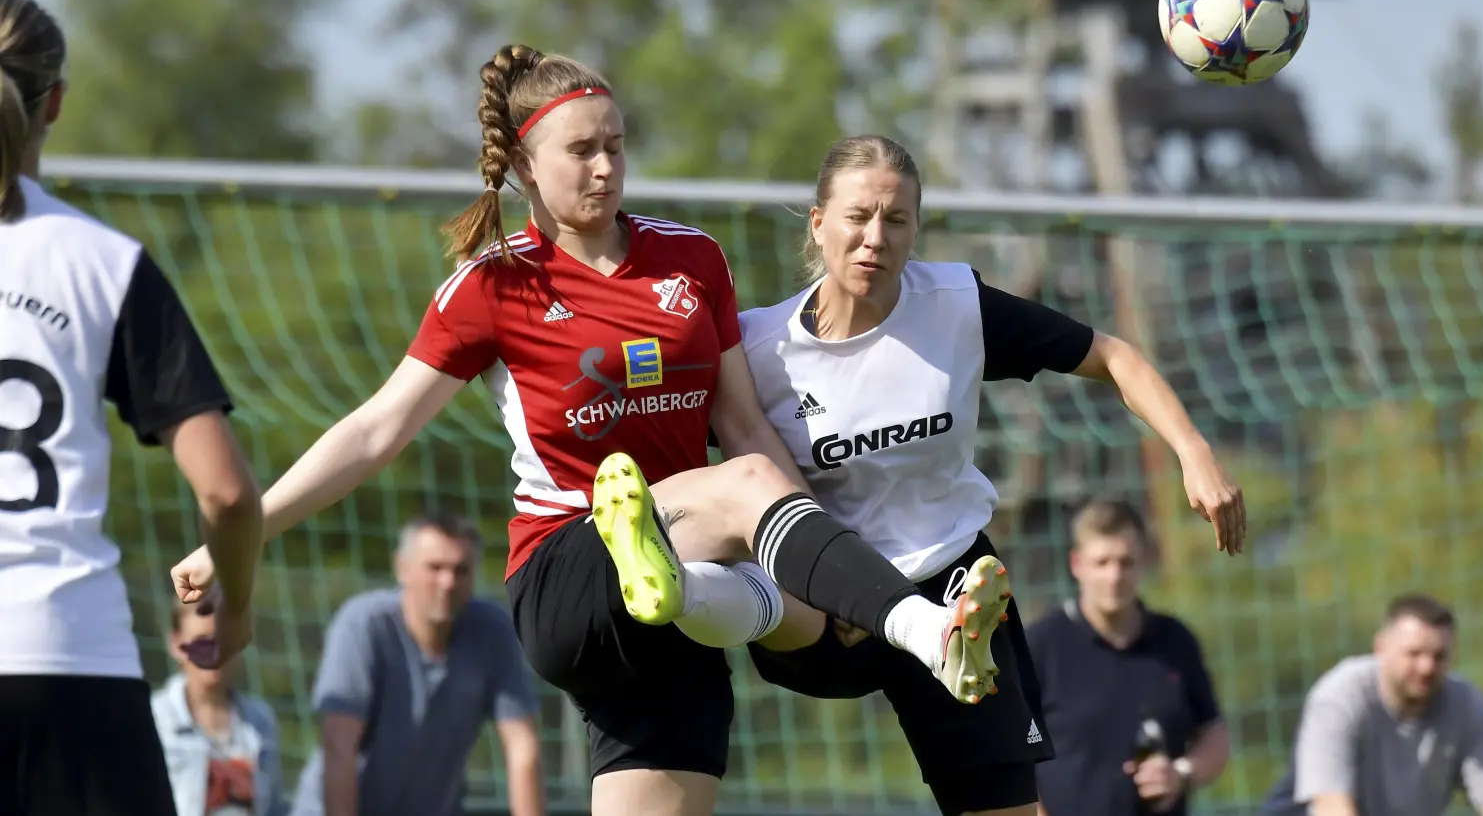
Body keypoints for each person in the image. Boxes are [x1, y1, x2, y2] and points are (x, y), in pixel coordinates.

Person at [168, 45, 999, 816]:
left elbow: (745, 425)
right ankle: (926, 628)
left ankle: (702, 590)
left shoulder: (692, 260)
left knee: (801, 609)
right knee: (748, 493)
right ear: (525, 164)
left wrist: (834, 567)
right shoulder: (494, 285)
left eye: (616, 145)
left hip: (677, 593)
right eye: (581, 150)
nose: (606, 167)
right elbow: (373, 432)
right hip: (571, 567)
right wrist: (238, 536)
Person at [714, 134, 1246, 816]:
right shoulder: (758, 348)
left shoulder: (956, 306)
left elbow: (1112, 356)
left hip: (953, 589)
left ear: (915, 229)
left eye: (896, 219)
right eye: (858, 216)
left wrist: (1194, 452)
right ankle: (691, 592)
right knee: (743, 584)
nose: (875, 237)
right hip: (823, 598)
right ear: (818, 223)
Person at [0, 0, 265, 816]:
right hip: (71, 660)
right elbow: (227, 493)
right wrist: (238, 606)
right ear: (55, 103)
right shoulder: (102, 263)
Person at [289, 514, 544, 816]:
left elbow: (521, 746)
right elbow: (339, 745)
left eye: (461, 570)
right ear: (402, 568)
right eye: (435, 568)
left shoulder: (492, 630)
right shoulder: (364, 625)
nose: (448, 582)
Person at [1027, 499, 1230, 816]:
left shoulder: (1174, 641)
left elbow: (1214, 734)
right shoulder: (1041, 645)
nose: (1115, 576)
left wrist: (1180, 774)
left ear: (1144, 560)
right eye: (1102, 563)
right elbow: (1011, 752)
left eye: (1126, 562)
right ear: (1077, 564)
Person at [1259, 593, 1483, 816]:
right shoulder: (1341, 696)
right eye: (1414, 653)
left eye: (1439, 656)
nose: (1426, 667)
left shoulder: (1465, 705)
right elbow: (1330, 807)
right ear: (1380, 648)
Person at [152, 600, 288, 816]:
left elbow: (275, 808)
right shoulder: (153, 721)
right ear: (176, 644)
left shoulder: (260, 721)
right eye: (201, 640)